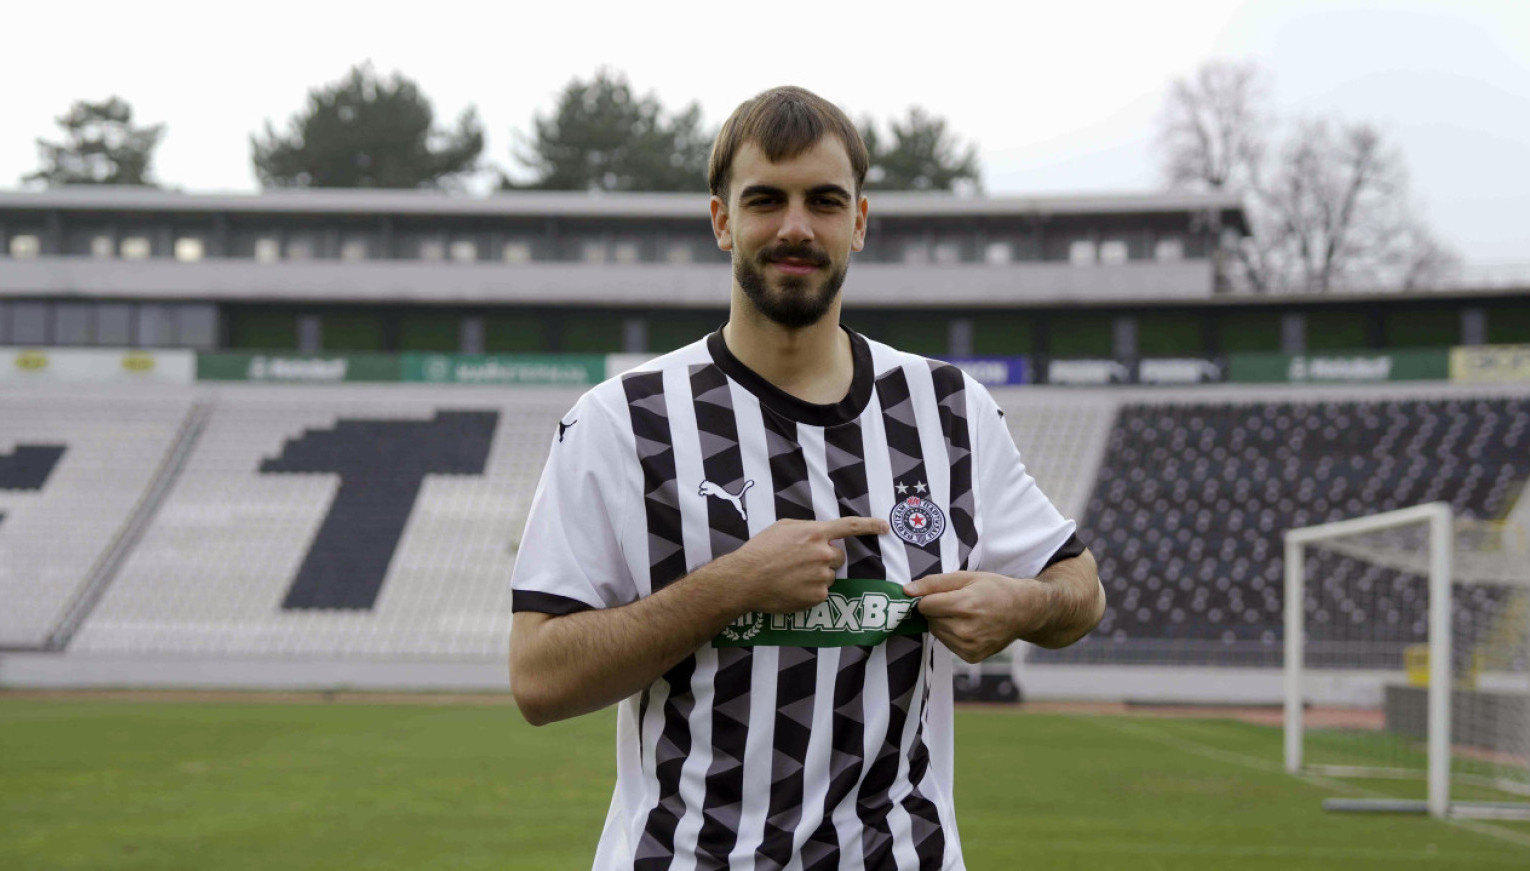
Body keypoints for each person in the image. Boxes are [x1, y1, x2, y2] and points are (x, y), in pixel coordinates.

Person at [509, 85, 1104, 871]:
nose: (796, 226)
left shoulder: (948, 409)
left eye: (824, 201)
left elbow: (1080, 588)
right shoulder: (624, 420)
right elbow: (538, 677)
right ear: (722, 220)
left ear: (859, 221)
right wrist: (730, 586)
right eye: (766, 200)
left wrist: (1022, 604)